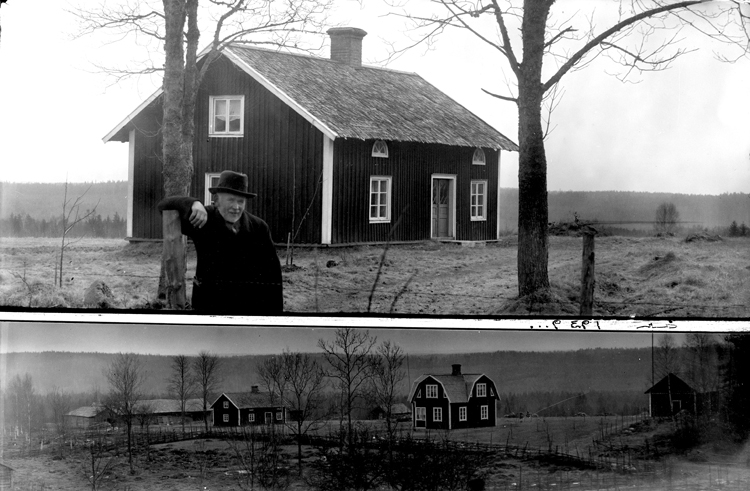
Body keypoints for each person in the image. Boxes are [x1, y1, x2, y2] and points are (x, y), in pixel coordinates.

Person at [157, 170, 283, 315]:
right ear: (216, 200)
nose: (236, 207)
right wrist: (193, 203)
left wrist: (275, 316)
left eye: (240, 201)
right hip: (209, 304)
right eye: (231, 200)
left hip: (248, 305)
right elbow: (163, 205)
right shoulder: (203, 220)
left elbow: (273, 274)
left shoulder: (259, 227)